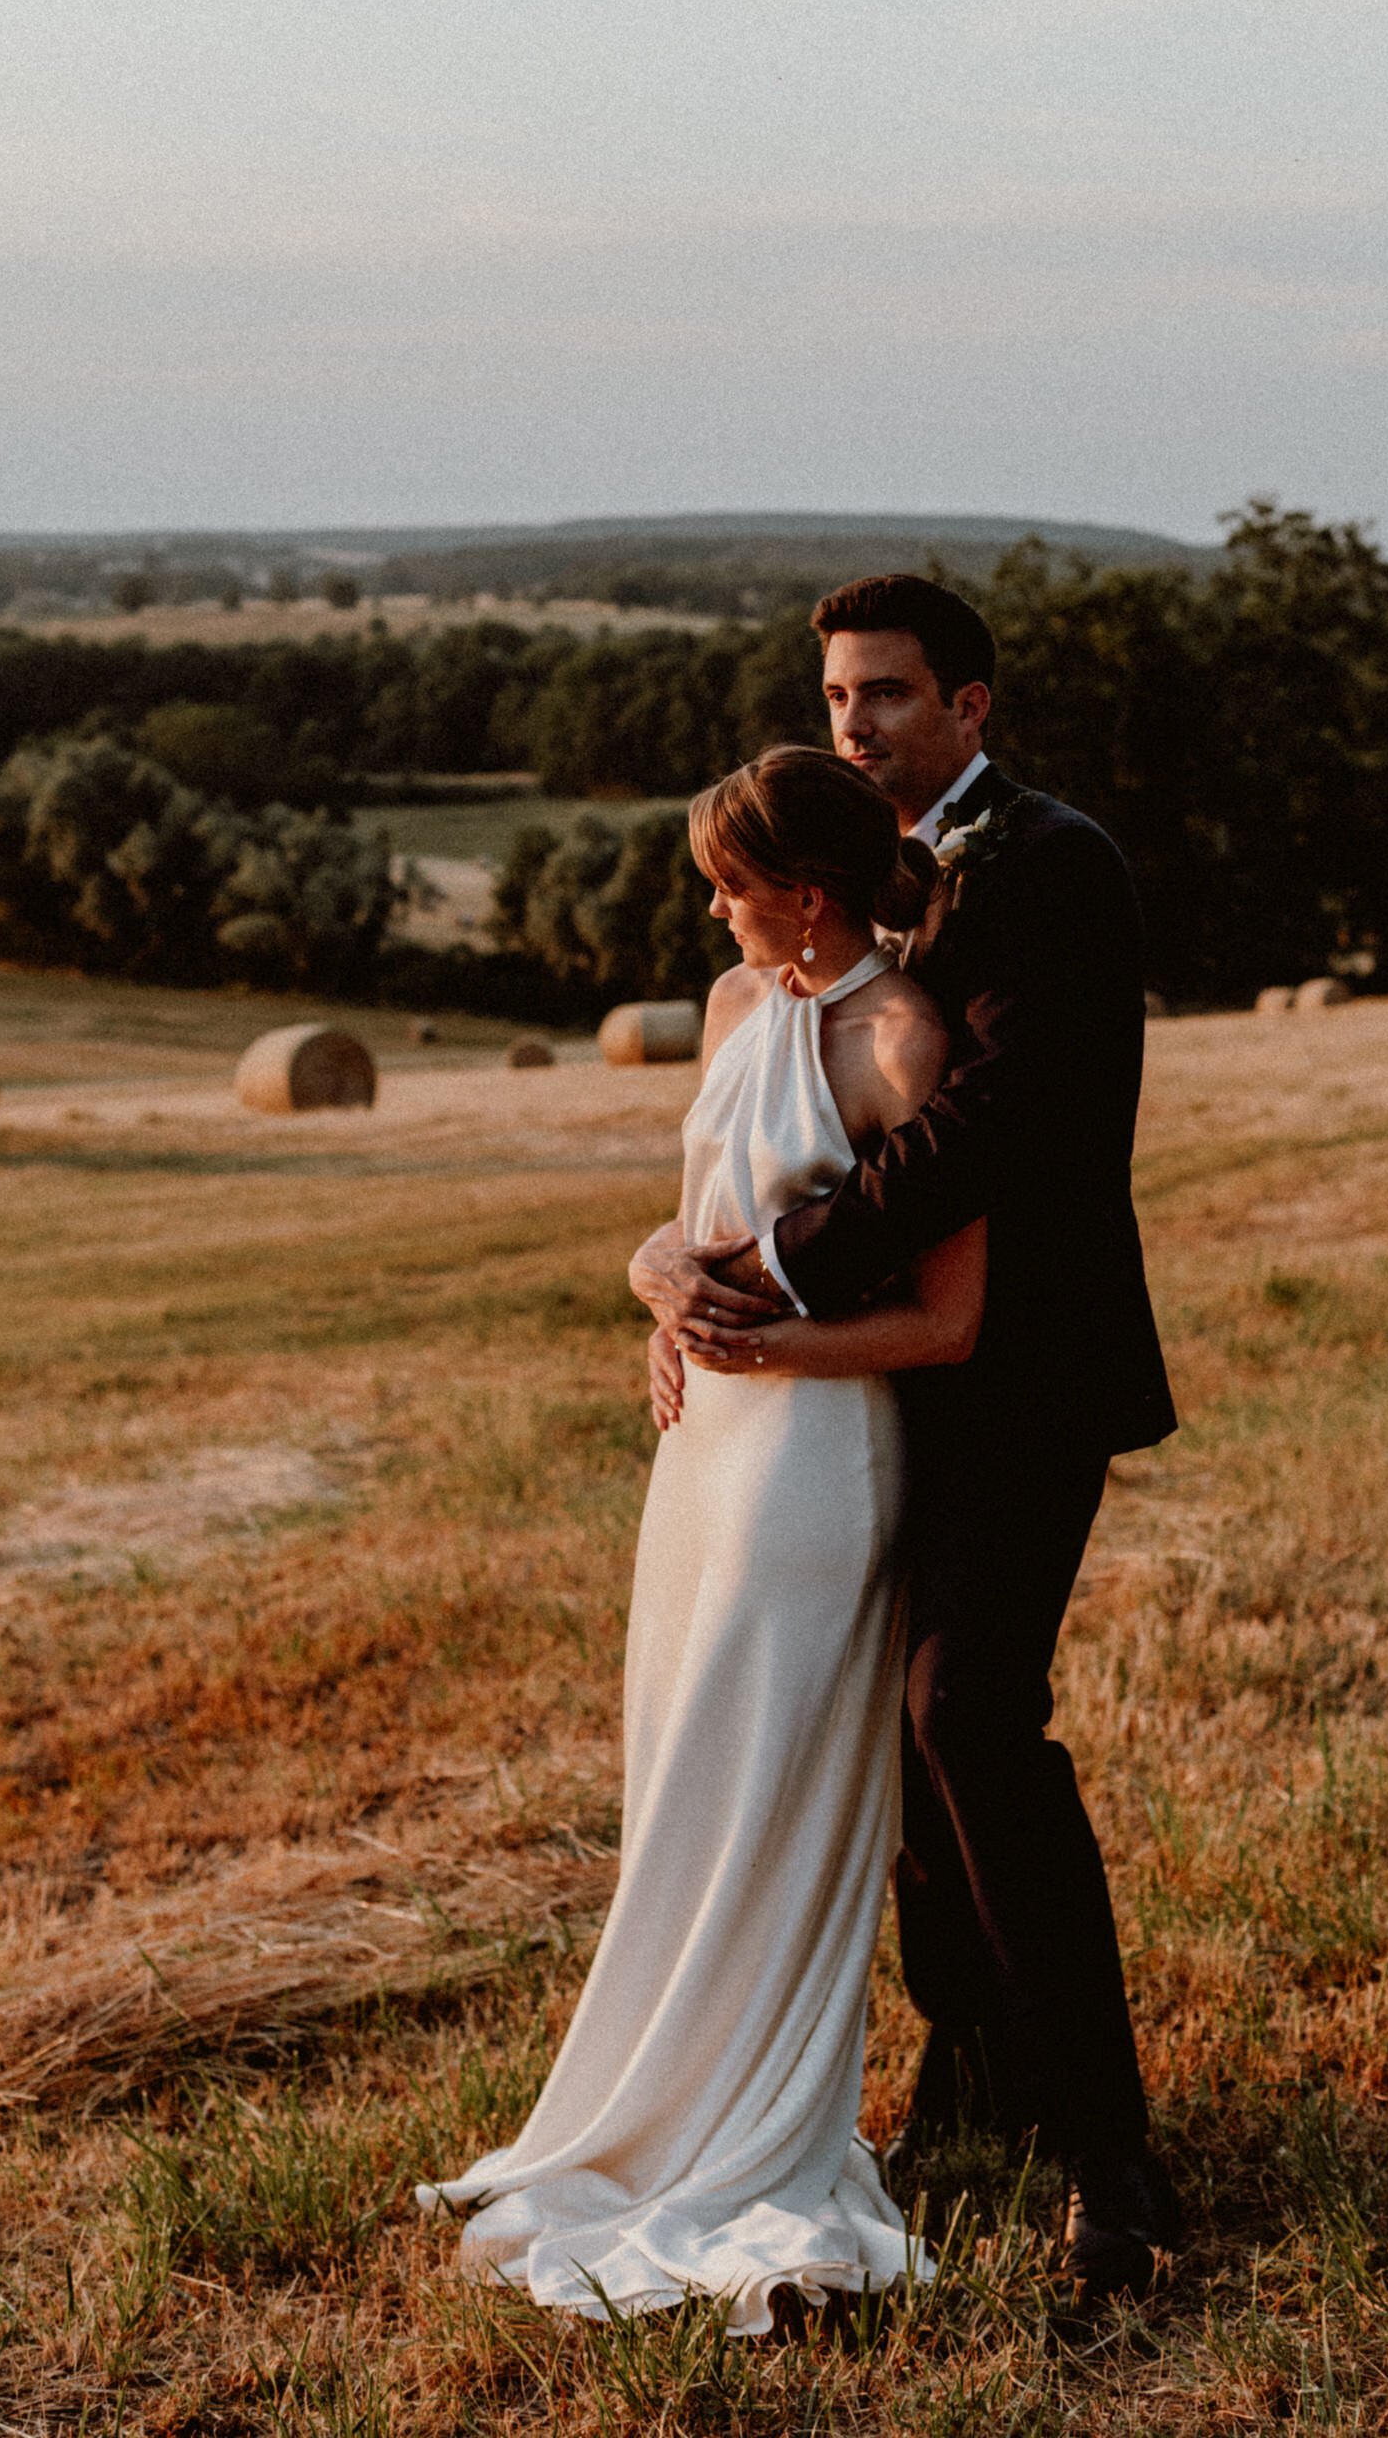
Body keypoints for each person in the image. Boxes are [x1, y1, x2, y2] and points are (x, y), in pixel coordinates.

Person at [634, 574, 1181, 2299]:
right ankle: (976, 2079)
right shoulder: (828, 891)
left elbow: (1000, 1127)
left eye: (886, 693)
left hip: (1020, 1375)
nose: (854, 720)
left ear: (973, 706)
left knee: (970, 1715)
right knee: (894, 1750)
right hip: (864, 1396)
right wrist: (676, 1275)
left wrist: (770, 1269)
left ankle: (1115, 2154)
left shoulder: (1055, 866)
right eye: (838, 693)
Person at [422, 745, 986, 2332]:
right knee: (680, 1773)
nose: (711, 913)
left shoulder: (898, 1043)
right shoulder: (739, 1010)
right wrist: (653, 1289)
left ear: (805, 896)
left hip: (816, 1461)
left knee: (770, 1786)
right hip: (701, 1457)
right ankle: (652, 2104)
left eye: (729, 888)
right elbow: (691, 1224)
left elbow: (947, 1324)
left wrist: (764, 1354)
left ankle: (759, 2135)